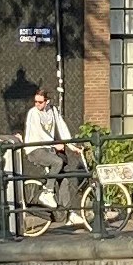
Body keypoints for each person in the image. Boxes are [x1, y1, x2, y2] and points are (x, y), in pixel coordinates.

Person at [20, 82, 82, 217]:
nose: (37, 104)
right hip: (34, 148)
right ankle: (47, 192)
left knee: (64, 178)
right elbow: (39, 133)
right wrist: (54, 145)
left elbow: (62, 127)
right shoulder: (33, 113)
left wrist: (71, 146)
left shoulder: (53, 110)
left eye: (40, 102)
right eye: (35, 101)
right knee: (57, 162)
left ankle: (68, 214)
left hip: (48, 148)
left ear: (47, 102)